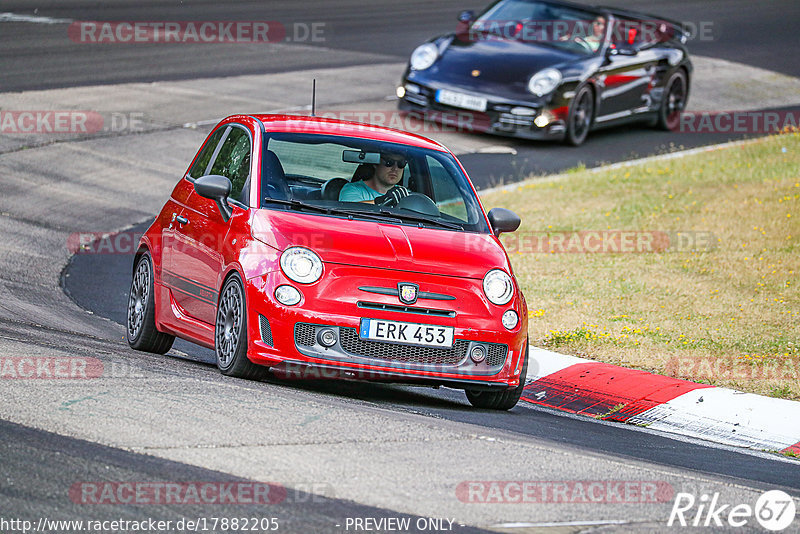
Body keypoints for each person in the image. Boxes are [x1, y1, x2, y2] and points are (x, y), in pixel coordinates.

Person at [339, 152, 411, 206]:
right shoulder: (353, 189)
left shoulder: (405, 194)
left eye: (401, 164)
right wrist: (382, 201)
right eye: (389, 162)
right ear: (376, 163)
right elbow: (349, 210)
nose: (395, 169)